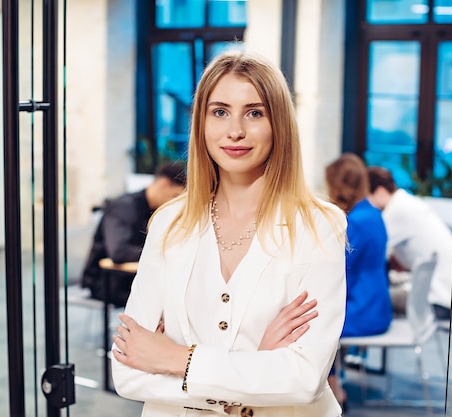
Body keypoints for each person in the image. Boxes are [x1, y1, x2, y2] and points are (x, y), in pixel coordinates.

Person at [110, 50, 348, 417]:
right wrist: (255, 368)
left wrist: (178, 359)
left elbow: (304, 379)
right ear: (201, 123)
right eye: (220, 112)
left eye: (254, 113)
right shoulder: (169, 223)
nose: (235, 130)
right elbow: (127, 372)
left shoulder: (318, 225)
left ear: (279, 124)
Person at [324, 153, 393, 409]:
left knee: (313, 323)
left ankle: (334, 391)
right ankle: (334, 381)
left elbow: (340, 275)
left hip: (364, 313)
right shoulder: (373, 214)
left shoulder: (355, 222)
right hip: (377, 308)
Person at [367, 166, 452, 320]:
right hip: (450, 297)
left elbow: (373, 251)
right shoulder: (408, 203)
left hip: (437, 301)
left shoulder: (396, 210)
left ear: (379, 192)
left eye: (366, 198)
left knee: (368, 299)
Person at [80, 162, 187, 307]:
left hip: (132, 278)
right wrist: (161, 252)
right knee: (168, 299)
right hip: (107, 281)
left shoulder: (154, 210)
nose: (175, 201)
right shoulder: (124, 207)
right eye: (175, 195)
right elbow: (119, 252)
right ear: (163, 184)